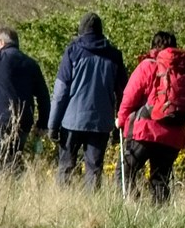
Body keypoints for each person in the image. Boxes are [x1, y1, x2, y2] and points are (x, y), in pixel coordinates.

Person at [116, 29, 185, 203]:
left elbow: (130, 96)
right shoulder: (184, 69)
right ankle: (161, 220)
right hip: (174, 135)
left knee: (125, 171)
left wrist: (121, 121)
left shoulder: (148, 65)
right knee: (160, 179)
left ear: (153, 46)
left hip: (146, 131)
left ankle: (130, 209)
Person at [50, 12, 127, 187]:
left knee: (66, 167)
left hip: (71, 121)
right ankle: (91, 208)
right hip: (101, 123)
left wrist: (53, 124)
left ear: (81, 30)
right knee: (94, 169)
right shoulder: (114, 55)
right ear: (101, 30)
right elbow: (123, 93)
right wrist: (119, 124)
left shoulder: (73, 51)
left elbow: (61, 91)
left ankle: (62, 204)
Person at [0, 28, 49, 171]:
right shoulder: (30, 64)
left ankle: (0, 193)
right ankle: (14, 192)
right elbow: (43, 96)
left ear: (1, 42)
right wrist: (42, 123)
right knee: (14, 165)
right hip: (22, 122)